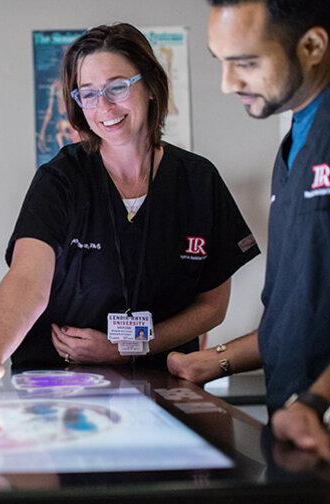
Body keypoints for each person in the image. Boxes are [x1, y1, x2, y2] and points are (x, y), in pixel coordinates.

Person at [0, 23, 259, 384]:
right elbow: (28, 279)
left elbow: (212, 306)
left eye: (117, 87)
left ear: (152, 86)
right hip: (58, 384)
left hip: (163, 382)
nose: (104, 106)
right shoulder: (61, 180)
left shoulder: (198, 181)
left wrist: (128, 346)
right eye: (88, 94)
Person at [168, 0, 330, 460]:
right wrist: (216, 360)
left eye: (246, 63)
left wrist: (316, 400)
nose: (227, 84)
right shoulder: (294, 144)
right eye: (221, 62)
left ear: (313, 45)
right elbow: (298, 314)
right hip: (298, 428)